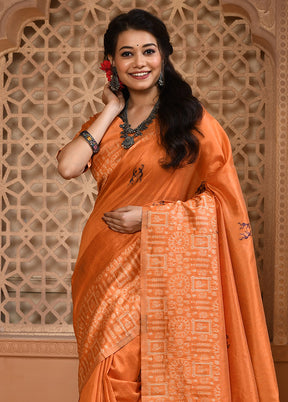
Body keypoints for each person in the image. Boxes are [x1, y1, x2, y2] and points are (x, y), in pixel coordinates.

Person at [57, 8, 279, 402]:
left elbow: (224, 204)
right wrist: (110, 108)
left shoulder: (193, 123)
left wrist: (150, 217)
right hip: (101, 268)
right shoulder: (104, 122)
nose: (139, 62)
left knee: (129, 366)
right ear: (110, 63)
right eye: (127, 54)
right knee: (106, 367)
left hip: (162, 267)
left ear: (164, 56)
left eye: (148, 51)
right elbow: (68, 165)